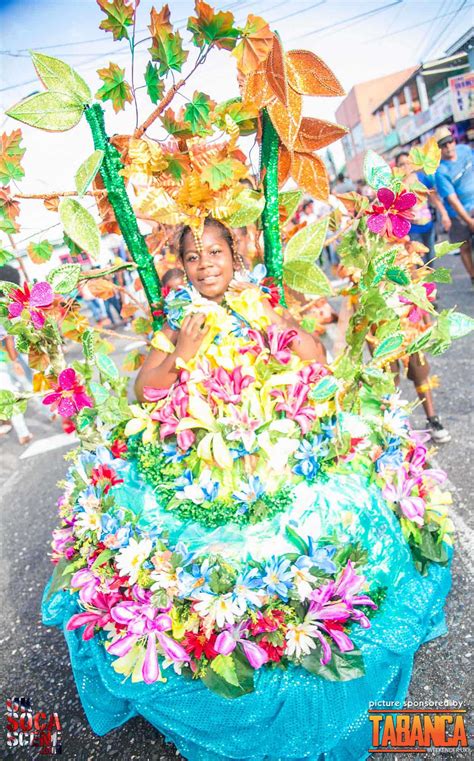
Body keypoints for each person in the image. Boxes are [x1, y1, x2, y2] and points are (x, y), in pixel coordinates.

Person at [434, 125, 474, 284]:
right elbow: (453, 200)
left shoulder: (465, 150)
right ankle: (472, 276)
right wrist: (469, 222)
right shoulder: (441, 171)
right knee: (464, 247)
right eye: (443, 145)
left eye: (450, 142)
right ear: (439, 149)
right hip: (457, 213)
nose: (448, 147)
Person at [395, 151, 450, 263]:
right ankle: (422, 279)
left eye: (407, 162)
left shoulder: (421, 178)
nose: (405, 166)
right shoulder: (396, 185)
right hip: (411, 229)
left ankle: (428, 279)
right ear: (397, 167)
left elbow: (433, 196)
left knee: (431, 257)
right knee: (418, 261)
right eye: (401, 164)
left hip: (428, 225)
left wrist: (444, 214)